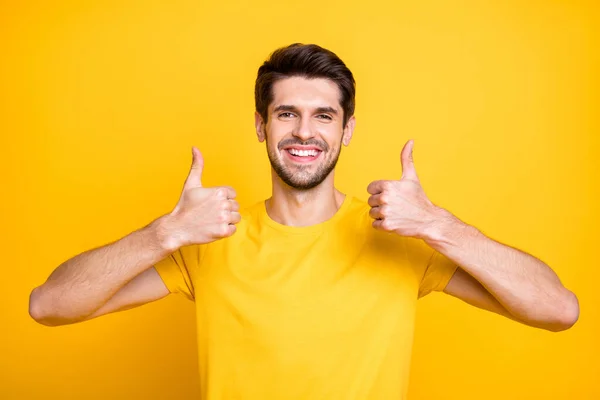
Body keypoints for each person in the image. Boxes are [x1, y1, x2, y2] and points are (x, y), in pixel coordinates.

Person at [29, 43, 579, 399]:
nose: (304, 132)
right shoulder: (209, 240)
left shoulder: (402, 239)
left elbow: (558, 310)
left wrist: (439, 224)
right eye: (286, 113)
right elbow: (49, 306)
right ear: (261, 126)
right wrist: (166, 231)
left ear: (348, 130)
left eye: (324, 115)